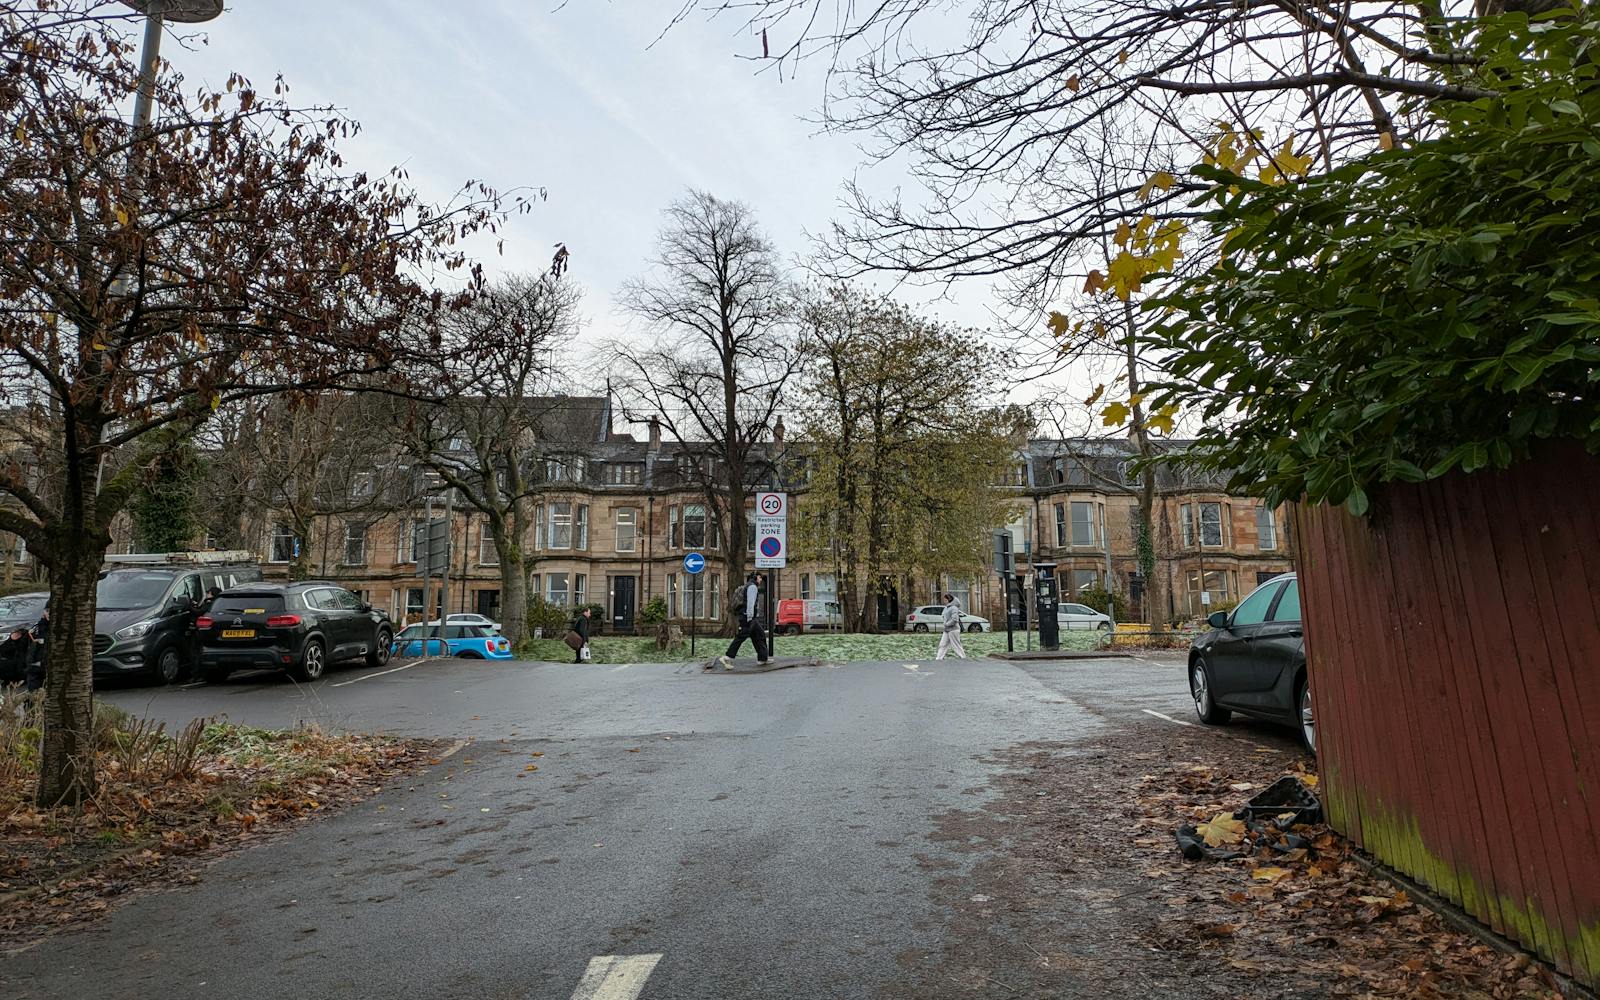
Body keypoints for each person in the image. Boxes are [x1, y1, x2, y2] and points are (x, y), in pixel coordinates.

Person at [721, 573, 770, 666]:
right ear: (755, 578)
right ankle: (727, 657)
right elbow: (750, 603)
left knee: (760, 635)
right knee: (741, 637)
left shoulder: (748, 585)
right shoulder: (752, 587)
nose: (760, 580)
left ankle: (763, 659)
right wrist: (750, 617)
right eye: (759, 578)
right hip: (748, 617)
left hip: (749, 617)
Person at [936, 593, 968, 661]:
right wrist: (945, 624)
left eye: (945, 599)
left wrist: (947, 624)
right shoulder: (946, 608)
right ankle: (939, 658)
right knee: (942, 644)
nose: (944, 600)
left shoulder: (954, 608)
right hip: (946, 630)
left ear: (949, 599)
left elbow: (954, 619)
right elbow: (945, 617)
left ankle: (963, 657)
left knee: (956, 645)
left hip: (953, 630)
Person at [26, 609, 48, 692]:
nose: (49, 613)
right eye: (47, 610)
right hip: (36, 666)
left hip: (53, 667)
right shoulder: (37, 627)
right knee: (33, 695)